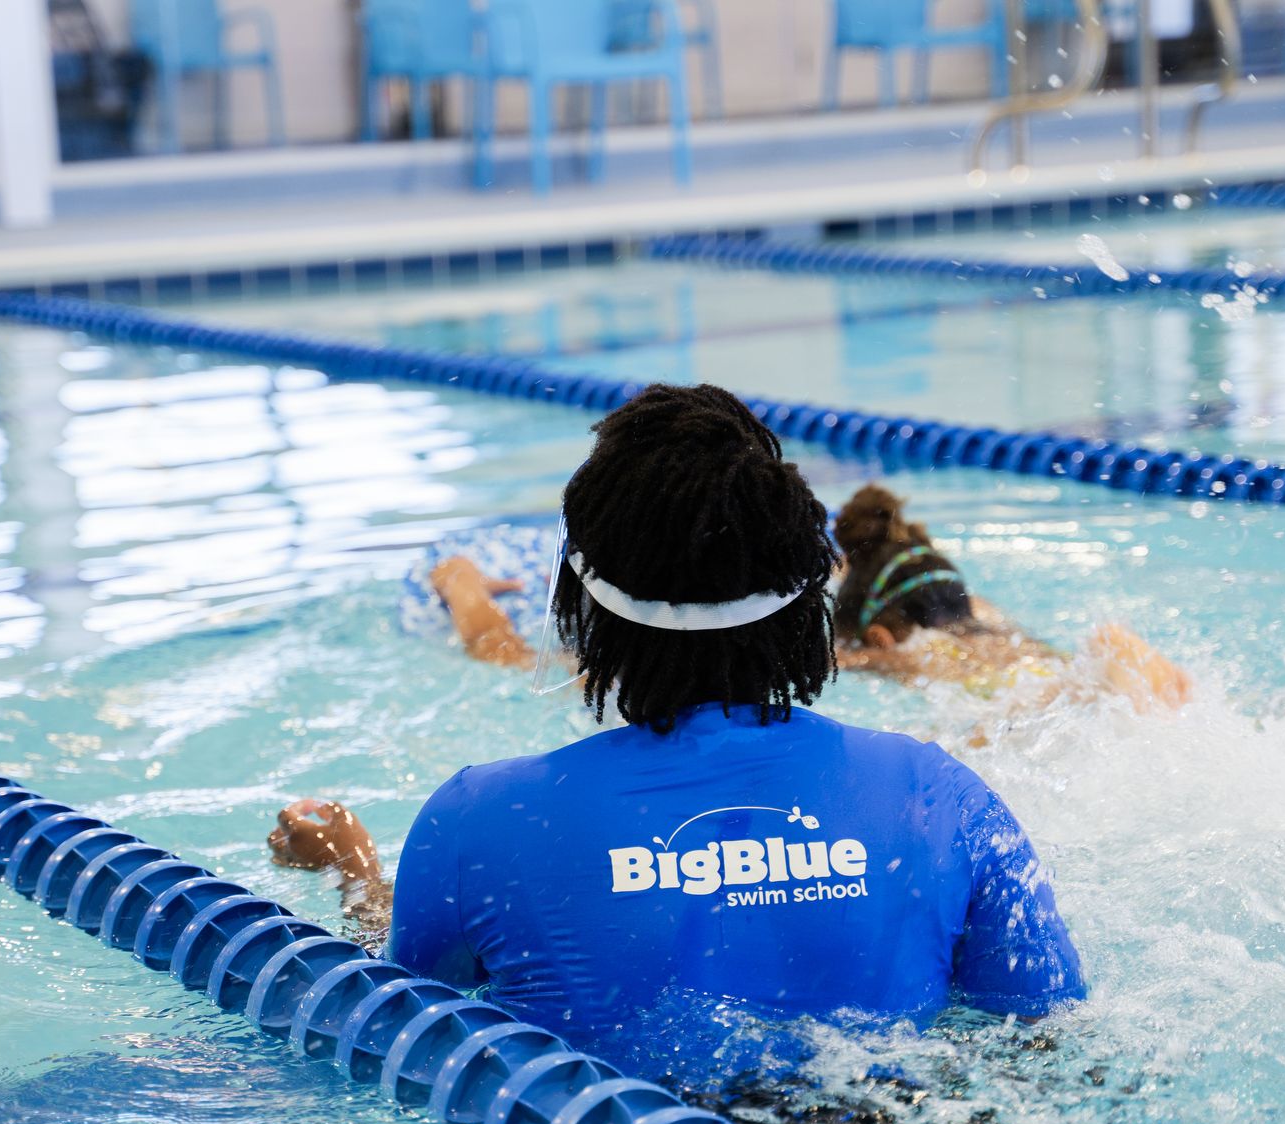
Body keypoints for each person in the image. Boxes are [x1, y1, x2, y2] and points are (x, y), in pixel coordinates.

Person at [268, 384, 1086, 1066]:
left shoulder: (483, 821)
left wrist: (354, 872)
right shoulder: (941, 798)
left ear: (580, 611)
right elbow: (1052, 1050)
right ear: (811, 615)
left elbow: (397, 1016)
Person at [831, 483, 1192, 711]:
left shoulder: (906, 654)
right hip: (1054, 667)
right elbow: (920, 577)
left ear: (879, 636)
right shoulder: (982, 614)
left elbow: (839, 658)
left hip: (1041, 698)